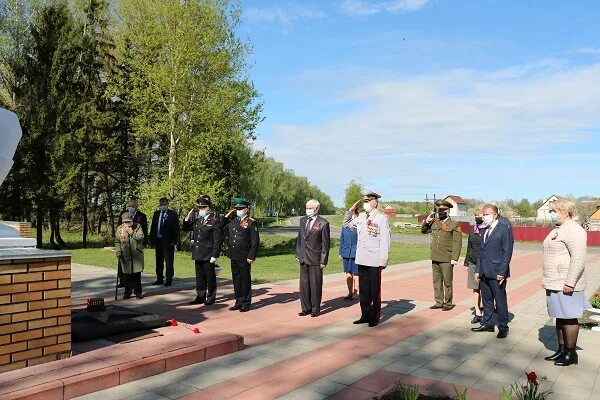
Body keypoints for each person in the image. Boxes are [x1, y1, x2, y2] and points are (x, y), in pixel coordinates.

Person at [541, 198, 588, 366]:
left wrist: (570, 282)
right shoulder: (559, 229)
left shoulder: (574, 230)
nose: (551, 214)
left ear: (565, 212)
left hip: (566, 283)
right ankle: (561, 350)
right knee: (559, 317)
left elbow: (579, 258)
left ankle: (571, 353)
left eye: (554, 211)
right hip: (554, 281)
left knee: (568, 318)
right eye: (551, 211)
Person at [349, 190, 391, 327]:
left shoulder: (381, 218)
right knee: (364, 290)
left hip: (374, 259)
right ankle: (365, 314)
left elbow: (385, 240)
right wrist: (350, 212)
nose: (365, 204)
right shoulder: (361, 216)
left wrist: (383, 260)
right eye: (364, 201)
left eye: (367, 201)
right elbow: (347, 223)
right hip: (362, 258)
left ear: (374, 202)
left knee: (374, 291)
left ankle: (374, 317)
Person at [472, 204, 514, 338]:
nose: (484, 217)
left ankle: (503, 326)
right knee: (487, 300)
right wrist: (478, 270)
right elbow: (481, 252)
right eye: (483, 214)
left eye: (487, 214)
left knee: (500, 301)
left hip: (497, 272)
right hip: (484, 271)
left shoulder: (504, 229)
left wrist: (502, 272)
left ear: (495, 215)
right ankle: (488, 323)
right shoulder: (484, 229)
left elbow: (507, 252)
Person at [421, 199, 462, 311]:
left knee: (447, 282)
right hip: (435, 257)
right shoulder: (435, 222)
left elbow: (457, 242)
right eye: (439, 210)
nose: (441, 212)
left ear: (448, 211)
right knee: (437, 281)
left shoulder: (454, 224)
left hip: (447, 258)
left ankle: (448, 303)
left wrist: (455, 258)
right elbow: (424, 231)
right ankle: (439, 302)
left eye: (443, 210)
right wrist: (427, 221)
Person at [221, 198, 260, 312]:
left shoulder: (251, 222)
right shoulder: (233, 221)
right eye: (237, 208)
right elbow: (220, 226)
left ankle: (246, 303)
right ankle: (238, 300)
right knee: (236, 279)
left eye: (240, 208)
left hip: (244, 256)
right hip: (234, 255)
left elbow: (255, 241)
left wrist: (251, 256)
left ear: (246, 209)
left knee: (245, 279)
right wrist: (227, 215)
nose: (238, 210)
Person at [183, 195, 222, 305]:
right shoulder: (197, 220)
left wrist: (215, 254)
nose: (201, 210)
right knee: (199, 277)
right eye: (200, 208)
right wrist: (187, 217)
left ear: (208, 208)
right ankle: (200, 296)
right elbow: (185, 228)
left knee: (210, 277)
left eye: (203, 207)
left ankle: (211, 297)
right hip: (198, 252)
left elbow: (217, 239)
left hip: (208, 253)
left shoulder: (214, 221)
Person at [295, 199, 330, 317]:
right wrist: (297, 253)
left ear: (317, 209)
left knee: (315, 285)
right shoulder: (302, 220)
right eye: (307, 208)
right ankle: (306, 308)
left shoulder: (323, 223)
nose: (308, 210)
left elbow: (325, 244)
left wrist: (323, 260)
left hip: (315, 258)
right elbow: (300, 238)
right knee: (304, 285)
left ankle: (315, 309)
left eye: (310, 208)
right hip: (303, 257)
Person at [117, 198, 148, 288]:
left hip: (135, 249)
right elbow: (117, 235)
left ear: (136, 206)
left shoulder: (141, 218)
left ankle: (137, 289)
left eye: (133, 206)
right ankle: (123, 282)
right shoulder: (123, 215)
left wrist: (133, 234)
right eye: (129, 206)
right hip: (125, 247)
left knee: (136, 271)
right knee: (123, 268)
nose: (131, 208)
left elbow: (143, 233)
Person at [149, 197, 179, 286]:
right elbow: (153, 227)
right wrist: (151, 240)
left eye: (164, 204)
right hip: (158, 240)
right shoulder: (156, 214)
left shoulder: (172, 214)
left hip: (168, 241)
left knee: (169, 261)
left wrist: (174, 241)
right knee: (159, 261)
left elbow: (176, 228)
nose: (163, 206)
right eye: (161, 205)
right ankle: (159, 278)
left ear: (168, 204)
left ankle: (169, 279)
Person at [115, 212, 144, 299]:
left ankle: (138, 292)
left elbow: (141, 237)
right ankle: (127, 292)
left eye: (128, 221)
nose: (127, 224)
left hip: (136, 255)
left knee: (136, 276)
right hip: (125, 255)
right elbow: (117, 242)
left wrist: (132, 232)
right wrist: (118, 251)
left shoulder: (137, 226)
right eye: (125, 222)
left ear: (132, 221)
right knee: (127, 276)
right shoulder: (119, 229)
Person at [464, 207, 486, 324]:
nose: (477, 217)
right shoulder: (472, 229)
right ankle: (478, 312)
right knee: (475, 288)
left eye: (480, 215)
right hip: (473, 261)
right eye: (476, 215)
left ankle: (488, 311)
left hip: (485, 263)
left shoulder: (488, 229)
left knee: (487, 289)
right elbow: (469, 246)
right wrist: (467, 262)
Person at [339, 206, 359, 300]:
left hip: (356, 253)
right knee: (348, 274)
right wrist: (340, 253)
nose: (351, 216)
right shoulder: (344, 227)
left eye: (353, 213)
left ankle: (355, 293)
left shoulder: (359, 227)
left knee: (356, 274)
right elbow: (342, 240)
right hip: (346, 253)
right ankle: (349, 292)